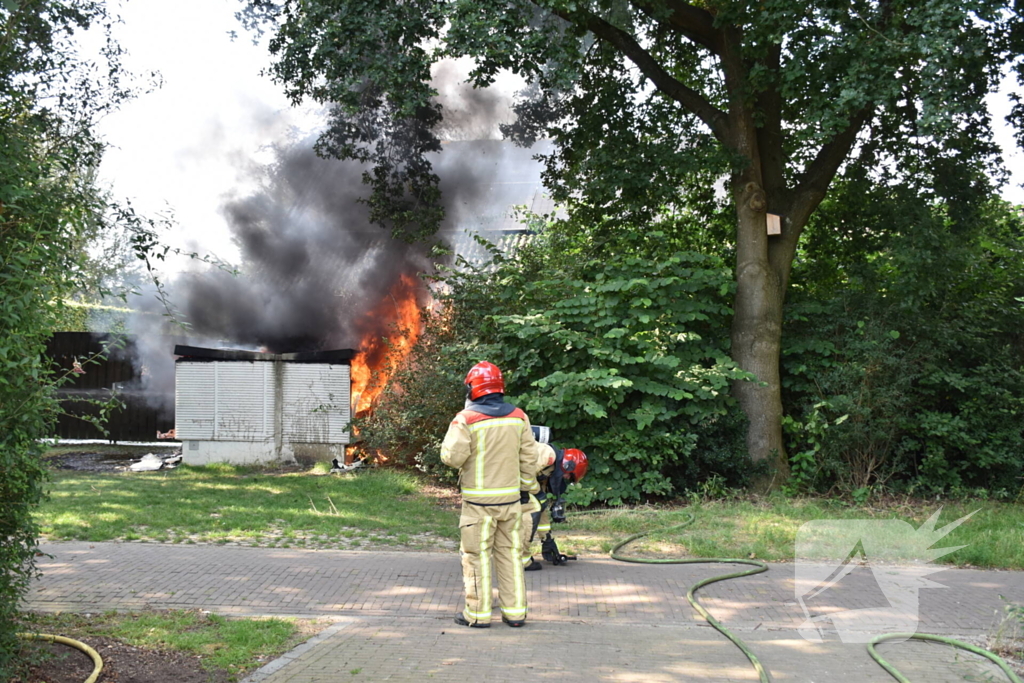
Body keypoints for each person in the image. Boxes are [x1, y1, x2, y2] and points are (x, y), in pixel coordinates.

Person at [441, 361, 541, 628]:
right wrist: (525, 489)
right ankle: (516, 613)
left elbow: (451, 457)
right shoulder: (519, 417)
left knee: (476, 557)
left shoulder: (467, 419)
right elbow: (529, 459)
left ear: (473, 388)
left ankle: (477, 615)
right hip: (511, 503)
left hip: (478, 505)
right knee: (510, 555)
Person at [520, 443, 588, 570]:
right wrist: (537, 492)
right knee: (531, 510)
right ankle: (521, 560)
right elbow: (524, 475)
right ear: (568, 465)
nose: (566, 478)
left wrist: (547, 539)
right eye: (570, 475)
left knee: (537, 506)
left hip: (515, 483)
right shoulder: (547, 456)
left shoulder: (549, 469)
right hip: (505, 480)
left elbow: (542, 507)